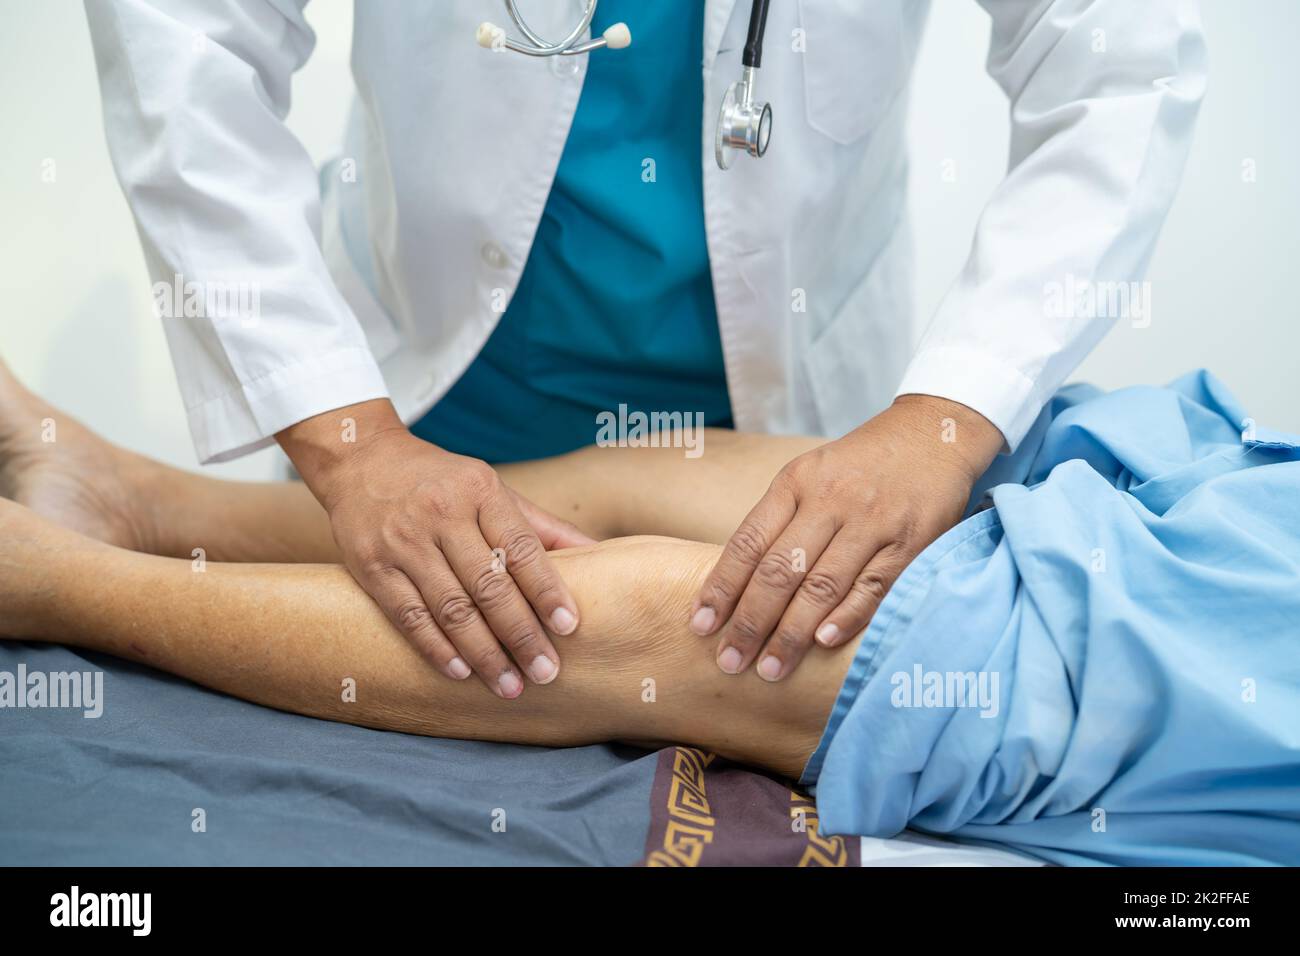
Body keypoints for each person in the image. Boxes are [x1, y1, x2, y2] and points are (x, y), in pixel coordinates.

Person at [84, 1, 1207, 694]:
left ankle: (91, 531)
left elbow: (1123, 68)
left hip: (781, 433)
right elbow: (181, 43)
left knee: (615, 647)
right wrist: (351, 446)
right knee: (441, 618)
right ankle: (83, 542)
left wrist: (946, 417)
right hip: (423, 392)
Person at [2, 358, 1298, 865]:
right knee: (665, 476)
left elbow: (1111, 79)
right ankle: (128, 494)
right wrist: (938, 420)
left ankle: (50, 576)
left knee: (684, 616)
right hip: (1241, 500)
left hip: (1228, 667)